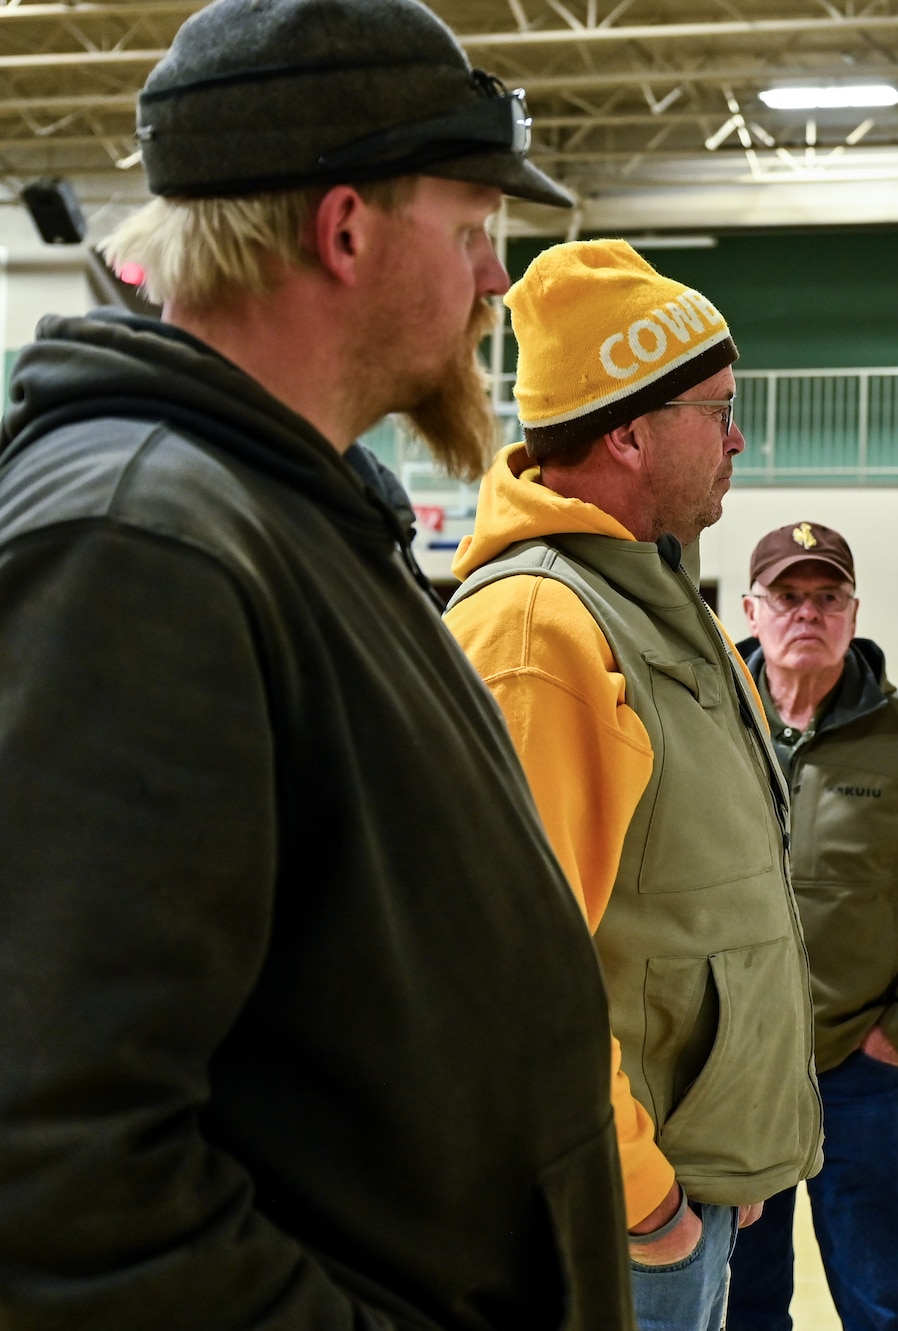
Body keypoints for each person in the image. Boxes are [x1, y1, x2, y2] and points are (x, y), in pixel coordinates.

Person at [0, 0, 634, 1326]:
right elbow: (55, 1175)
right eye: (471, 229)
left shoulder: (285, 512)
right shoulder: (140, 548)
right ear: (344, 230)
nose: (494, 279)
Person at [445, 240, 822, 1331]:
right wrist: (647, 1197)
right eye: (718, 408)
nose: (738, 435)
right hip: (607, 1223)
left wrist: (724, 1144)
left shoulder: (656, 602)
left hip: (683, 1196)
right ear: (626, 429)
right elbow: (509, 970)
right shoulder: (538, 630)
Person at [726, 522, 898, 1331]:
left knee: (887, 1299)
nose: (807, 612)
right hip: (732, 1076)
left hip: (859, 1074)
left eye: (828, 596)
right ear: (751, 608)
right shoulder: (709, 722)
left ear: (853, 611)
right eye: (787, 596)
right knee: (740, 1305)